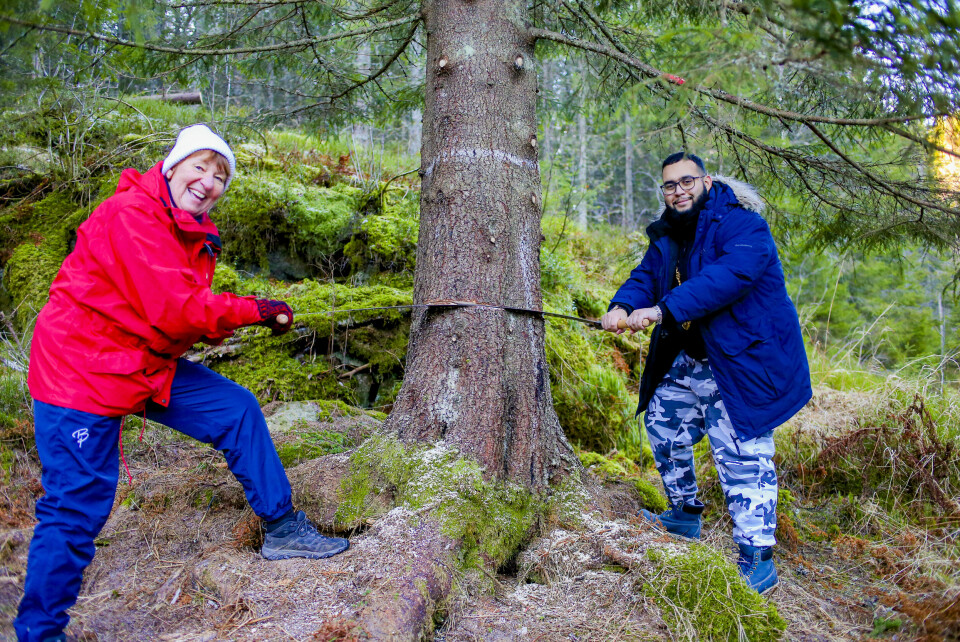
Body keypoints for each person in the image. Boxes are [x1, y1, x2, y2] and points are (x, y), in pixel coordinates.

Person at [15, 124, 349, 642]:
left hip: (138, 362)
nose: (208, 181)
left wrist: (206, 328)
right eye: (200, 166)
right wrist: (253, 311)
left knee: (234, 408)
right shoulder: (132, 214)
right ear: (172, 165)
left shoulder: (188, 230)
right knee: (77, 504)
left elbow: (165, 311)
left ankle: (282, 529)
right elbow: (175, 309)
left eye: (220, 176)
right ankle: (40, 632)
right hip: (80, 370)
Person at [601, 152, 811, 595]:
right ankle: (683, 515)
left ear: (706, 181)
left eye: (686, 181)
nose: (678, 191)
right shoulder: (668, 233)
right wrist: (621, 305)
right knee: (662, 422)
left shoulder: (743, 225)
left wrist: (663, 309)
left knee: (741, 454)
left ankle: (758, 558)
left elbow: (727, 276)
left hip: (741, 363)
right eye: (670, 185)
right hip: (693, 359)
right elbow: (646, 275)